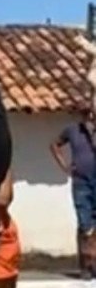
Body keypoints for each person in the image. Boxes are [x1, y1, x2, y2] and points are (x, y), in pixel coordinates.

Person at [50, 109, 96, 277]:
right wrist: (65, 166)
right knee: (85, 223)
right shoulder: (72, 130)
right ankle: (86, 265)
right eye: (87, 115)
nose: (90, 118)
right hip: (81, 182)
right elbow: (54, 144)